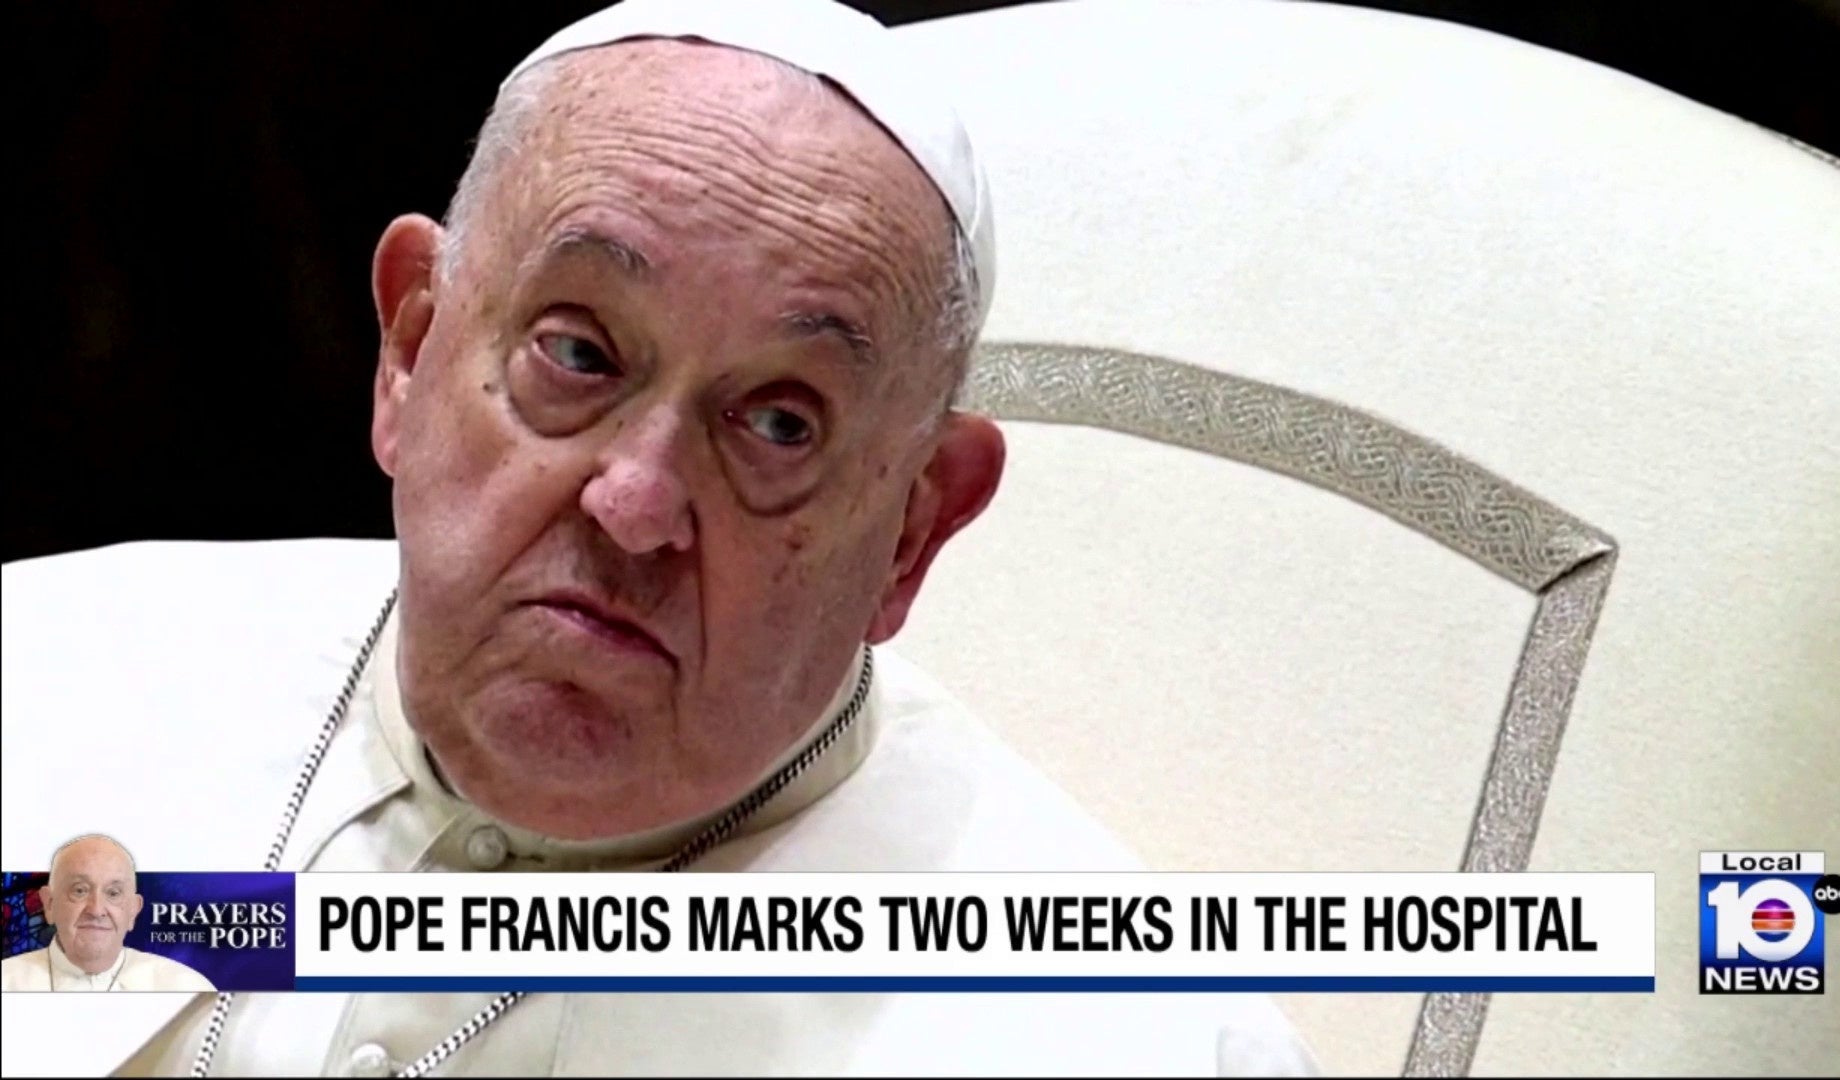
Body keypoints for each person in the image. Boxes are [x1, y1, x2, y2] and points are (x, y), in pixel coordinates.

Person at [0, 0, 1317, 1074]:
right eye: (577, 353)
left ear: (913, 533)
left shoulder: (1133, 1043)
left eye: (780, 424)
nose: (635, 504)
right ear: (410, 350)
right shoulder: (40, 671)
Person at [0, 836, 215, 994]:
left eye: (113, 893)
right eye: (79, 890)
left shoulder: (187, 988)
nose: (96, 910)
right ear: (49, 904)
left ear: (133, 910)